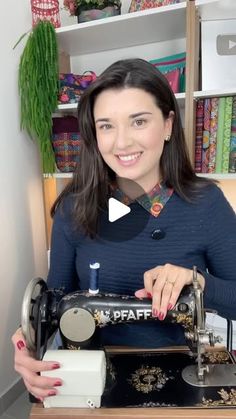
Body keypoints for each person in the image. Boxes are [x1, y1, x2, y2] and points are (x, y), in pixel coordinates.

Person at [12, 58, 236, 401]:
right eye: (106, 126)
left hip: (182, 369)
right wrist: (30, 341)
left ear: (167, 124)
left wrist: (200, 283)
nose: (121, 143)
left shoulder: (207, 203)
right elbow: (56, 306)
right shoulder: (74, 209)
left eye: (139, 121)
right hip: (94, 378)